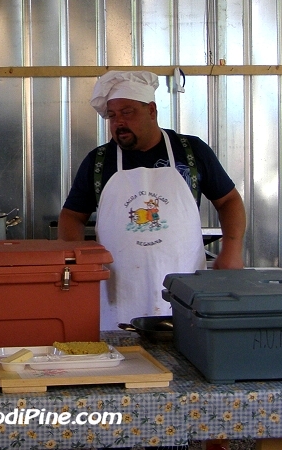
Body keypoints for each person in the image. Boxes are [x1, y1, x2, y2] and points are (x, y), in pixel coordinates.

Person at [58, 71, 245, 331]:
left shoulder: (191, 151)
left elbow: (229, 201)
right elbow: (71, 216)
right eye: (112, 116)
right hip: (118, 288)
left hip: (183, 287)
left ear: (152, 110)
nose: (119, 122)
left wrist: (232, 251)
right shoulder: (99, 161)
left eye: (127, 112)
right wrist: (79, 259)